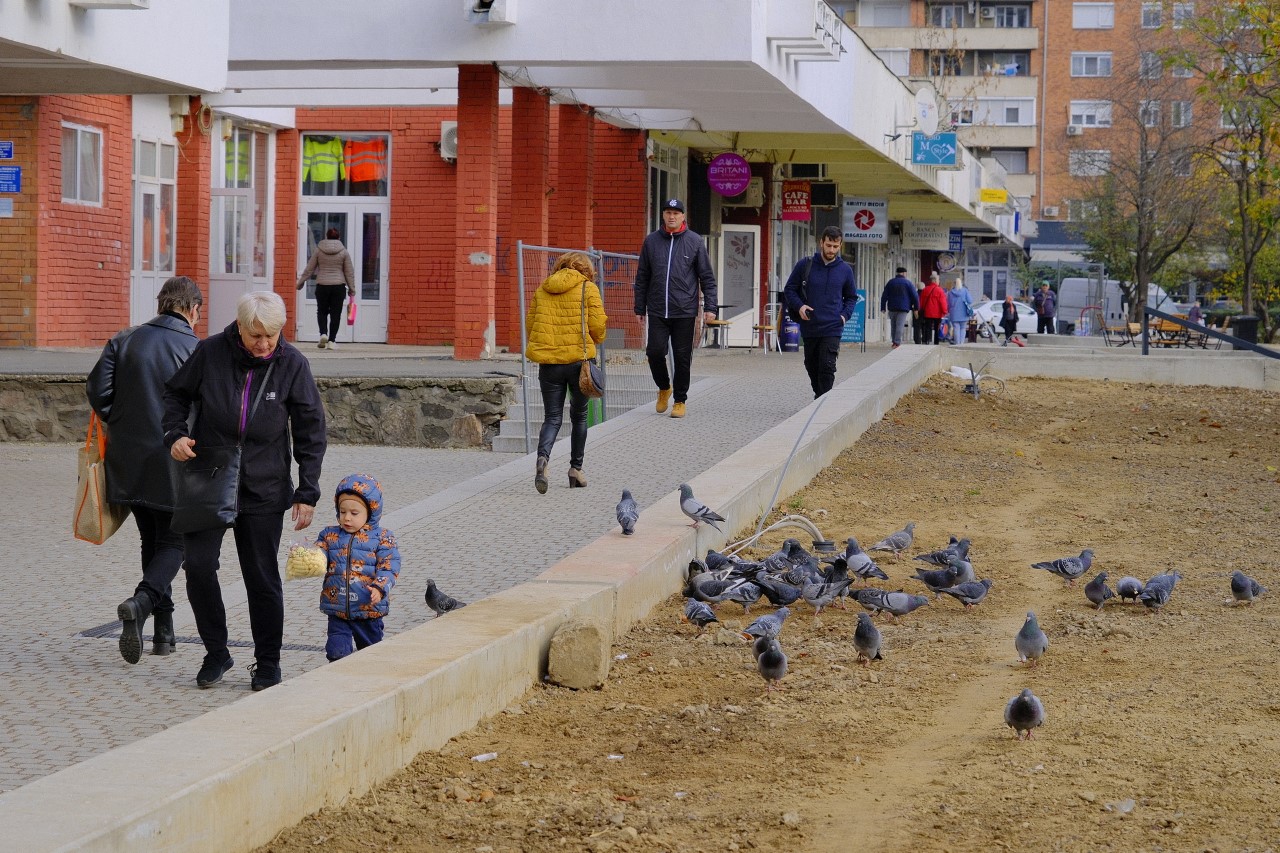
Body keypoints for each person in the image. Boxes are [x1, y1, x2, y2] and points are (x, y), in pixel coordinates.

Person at [163, 291, 327, 692]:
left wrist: (307, 492)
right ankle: (216, 652)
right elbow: (175, 394)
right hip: (209, 478)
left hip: (265, 486)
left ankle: (268, 663)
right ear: (239, 326)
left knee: (261, 576)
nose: (265, 344)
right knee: (198, 567)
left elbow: (311, 431)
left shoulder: (292, 364)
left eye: (272, 335)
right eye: (256, 335)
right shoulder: (210, 353)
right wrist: (174, 433)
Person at [86, 276, 203, 665]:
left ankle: (163, 634)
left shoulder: (124, 339)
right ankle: (142, 602)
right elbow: (204, 406)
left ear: (161, 304)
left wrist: (119, 421)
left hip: (128, 458)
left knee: (150, 540)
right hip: (175, 457)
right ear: (191, 310)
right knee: (176, 543)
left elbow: (97, 391)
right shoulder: (195, 348)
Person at [525, 251, 607, 492]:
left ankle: (543, 460)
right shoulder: (588, 289)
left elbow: (531, 325)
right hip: (578, 362)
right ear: (586, 270)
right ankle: (575, 469)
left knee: (552, 417)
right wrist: (597, 337)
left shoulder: (542, 289)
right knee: (579, 415)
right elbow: (597, 326)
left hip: (549, 363)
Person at [634, 198, 717, 419]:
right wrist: (639, 307)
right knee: (654, 351)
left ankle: (680, 400)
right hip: (658, 309)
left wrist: (710, 307)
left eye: (676, 213)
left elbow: (707, 277)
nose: (672, 216)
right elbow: (642, 276)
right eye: (668, 212)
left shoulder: (695, 242)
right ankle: (664, 388)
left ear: (683, 217)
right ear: (663, 215)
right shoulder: (651, 242)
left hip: (685, 310)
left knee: (682, 357)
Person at [315, 473, 401, 661]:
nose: (347, 518)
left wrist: (379, 587)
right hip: (338, 608)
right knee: (336, 652)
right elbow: (318, 554)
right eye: (342, 511)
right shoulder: (329, 535)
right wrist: (308, 557)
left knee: (370, 655)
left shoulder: (382, 538)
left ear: (370, 513)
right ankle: (340, 681)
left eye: (354, 513)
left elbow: (390, 566)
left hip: (368, 609)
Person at [783, 226, 859, 398]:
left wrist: (844, 316)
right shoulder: (805, 265)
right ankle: (820, 396)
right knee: (812, 366)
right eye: (828, 245)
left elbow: (851, 297)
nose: (831, 250)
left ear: (840, 245)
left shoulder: (845, 270)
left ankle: (822, 403)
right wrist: (800, 307)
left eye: (835, 246)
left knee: (827, 366)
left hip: (833, 326)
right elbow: (789, 290)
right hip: (810, 325)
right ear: (821, 243)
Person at [297, 227, 355, 350]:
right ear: (339, 237)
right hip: (338, 287)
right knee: (336, 314)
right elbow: (349, 272)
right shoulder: (343, 252)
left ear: (326, 236)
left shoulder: (319, 250)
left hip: (322, 285)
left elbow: (310, 268)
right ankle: (332, 341)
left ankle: (323, 333)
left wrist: (301, 282)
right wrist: (352, 289)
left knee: (322, 311)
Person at [880, 266, 918, 349]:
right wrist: (916, 308)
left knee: (893, 325)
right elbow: (915, 296)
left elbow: (884, 295)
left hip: (892, 307)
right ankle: (897, 342)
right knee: (900, 325)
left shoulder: (891, 282)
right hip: (903, 308)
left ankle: (894, 341)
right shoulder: (908, 283)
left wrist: (883, 307)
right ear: (904, 273)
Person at [918, 272, 948, 344]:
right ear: (934, 280)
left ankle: (927, 340)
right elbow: (943, 302)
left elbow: (921, 301)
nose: (939, 281)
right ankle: (936, 342)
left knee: (927, 327)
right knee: (937, 328)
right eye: (938, 280)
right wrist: (945, 311)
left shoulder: (925, 289)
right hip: (937, 314)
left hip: (927, 312)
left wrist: (921, 309)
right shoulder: (940, 290)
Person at [946, 277, 974, 345]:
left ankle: (957, 343)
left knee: (956, 328)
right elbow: (970, 301)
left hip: (954, 313)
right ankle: (961, 343)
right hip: (964, 313)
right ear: (961, 283)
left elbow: (948, 304)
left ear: (954, 284)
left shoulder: (950, 292)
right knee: (963, 328)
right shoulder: (965, 291)